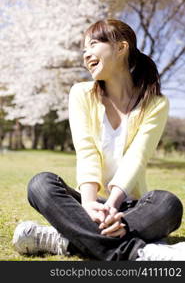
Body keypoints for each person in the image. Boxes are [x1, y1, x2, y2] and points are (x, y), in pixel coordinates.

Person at [13, 19, 184, 261]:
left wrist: (113, 206)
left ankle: (62, 240)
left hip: (130, 208)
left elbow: (137, 157)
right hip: (87, 204)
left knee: (168, 204)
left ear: (121, 48)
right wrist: (90, 204)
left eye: (92, 45)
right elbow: (87, 151)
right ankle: (139, 253)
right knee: (41, 184)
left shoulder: (156, 103)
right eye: (84, 49)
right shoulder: (81, 94)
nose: (86, 55)